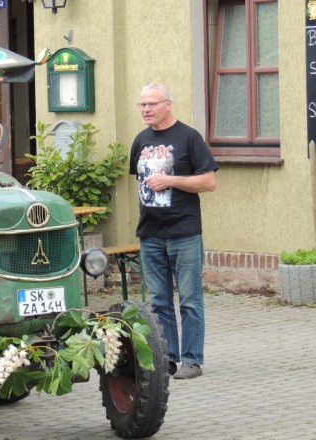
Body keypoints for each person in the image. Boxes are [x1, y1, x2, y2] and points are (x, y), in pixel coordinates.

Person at [129, 83, 218, 380]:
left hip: (184, 231)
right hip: (150, 233)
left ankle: (192, 360)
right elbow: (140, 183)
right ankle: (166, 358)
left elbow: (208, 182)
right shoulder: (140, 140)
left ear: (168, 104)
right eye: (142, 104)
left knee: (190, 299)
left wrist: (170, 181)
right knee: (159, 301)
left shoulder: (189, 137)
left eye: (151, 104)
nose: (146, 109)